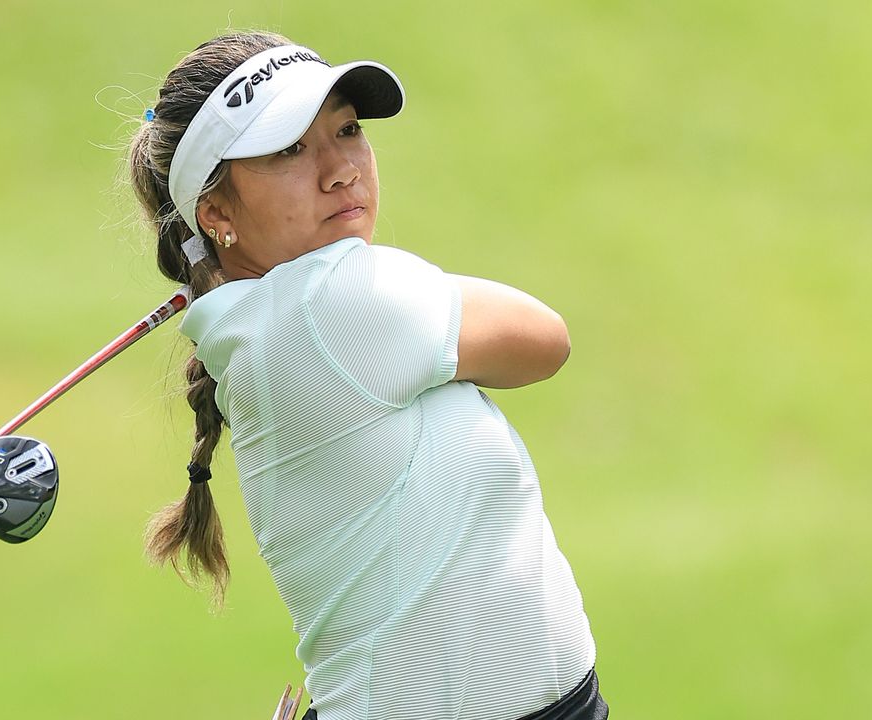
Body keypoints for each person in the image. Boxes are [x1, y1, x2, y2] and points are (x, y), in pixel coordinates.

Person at [126, 31, 607, 720]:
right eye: (288, 149)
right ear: (217, 213)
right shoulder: (331, 304)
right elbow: (545, 340)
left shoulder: (276, 319)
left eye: (347, 129)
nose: (339, 168)